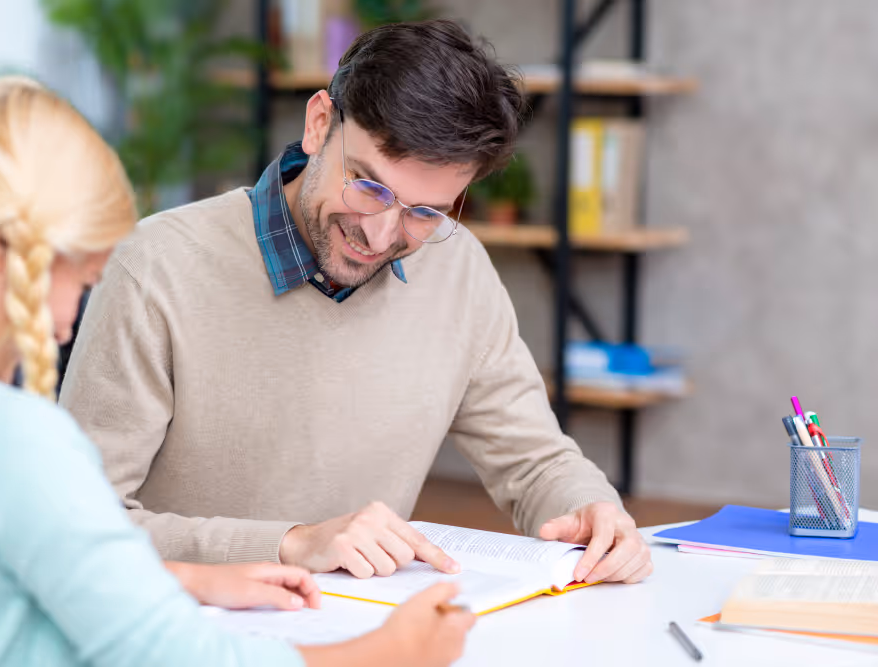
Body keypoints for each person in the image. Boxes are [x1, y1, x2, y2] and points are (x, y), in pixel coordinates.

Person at [0, 76, 474, 667]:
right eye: (82, 282)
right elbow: (171, 656)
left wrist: (179, 579)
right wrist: (390, 652)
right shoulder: (4, 440)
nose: (64, 326)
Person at [61, 19, 652, 585]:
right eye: (368, 185)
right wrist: (291, 544)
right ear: (319, 124)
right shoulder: (156, 266)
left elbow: (535, 461)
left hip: (365, 630)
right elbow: (76, 524)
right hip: (186, 625)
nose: (379, 233)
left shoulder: (458, 268)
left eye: (425, 212)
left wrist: (591, 509)